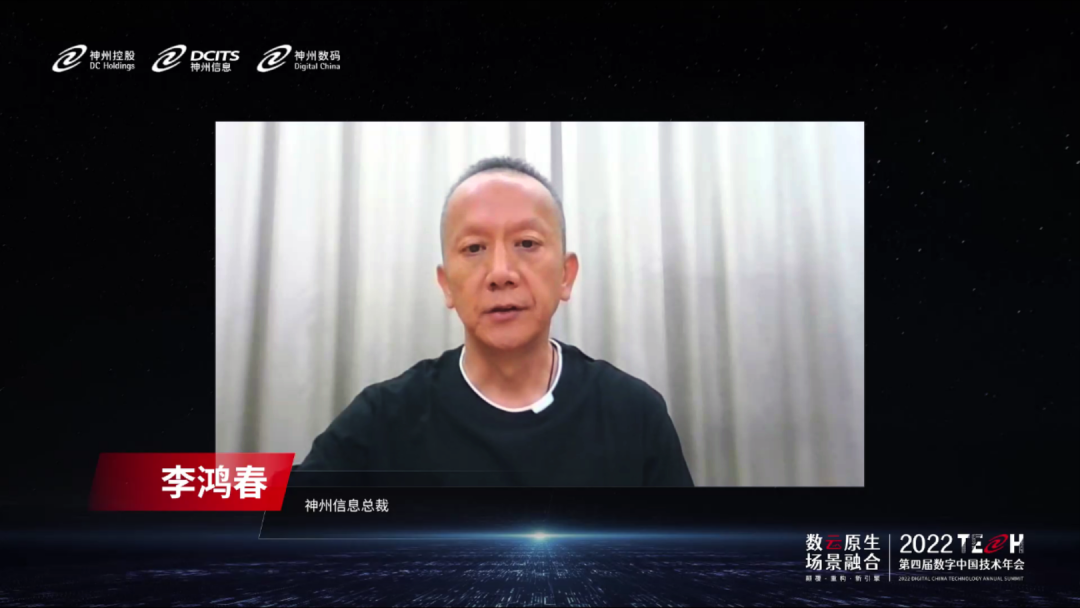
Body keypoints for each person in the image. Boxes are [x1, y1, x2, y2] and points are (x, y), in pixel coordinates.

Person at [298, 156, 694, 487]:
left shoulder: (633, 413)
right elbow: (274, 508)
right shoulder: (384, 418)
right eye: (474, 248)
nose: (501, 272)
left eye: (527, 243)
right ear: (446, 285)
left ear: (565, 275)